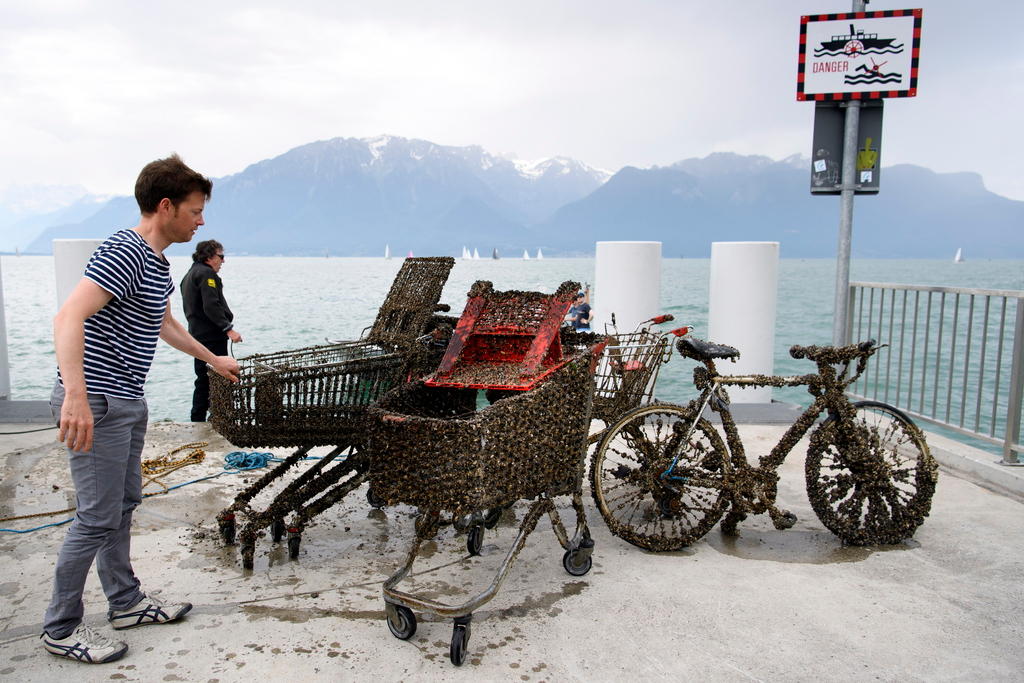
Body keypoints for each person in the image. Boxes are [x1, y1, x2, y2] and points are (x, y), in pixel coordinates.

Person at [41, 155, 240, 664]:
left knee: (122, 506)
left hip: (127, 398)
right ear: (167, 205)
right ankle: (61, 628)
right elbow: (69, 317)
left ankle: (125, 602)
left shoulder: (156, 261)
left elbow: (164, 324)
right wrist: (76, 396)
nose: (201, 221)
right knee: (96, 518)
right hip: (99, 401)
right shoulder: (124, 252)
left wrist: (212, 359)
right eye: (196, 211)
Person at [181, 239, 242, 421]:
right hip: (211, 336)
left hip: (198, 335)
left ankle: (200, 418)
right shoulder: (207, 275)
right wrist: (228, 329)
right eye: (220, 256)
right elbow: (211, 305)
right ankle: (214, 417)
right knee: (216, 377)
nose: (223, 261)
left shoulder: (191, 273)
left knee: (204, 378)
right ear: (208, 257)